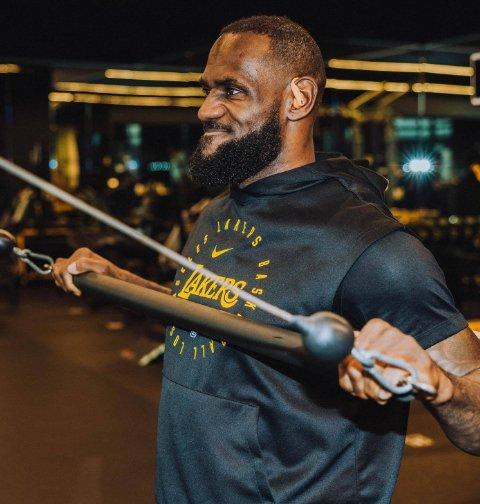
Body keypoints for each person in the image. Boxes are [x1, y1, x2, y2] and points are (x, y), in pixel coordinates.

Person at [52, 15, 480, 504]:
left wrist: (440, 385)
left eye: (232, 90)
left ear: (298, 98)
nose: (205, 110)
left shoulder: (373, 248)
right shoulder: (220, 210)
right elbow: (222, 313)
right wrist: (119, 281)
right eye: (207, 90)